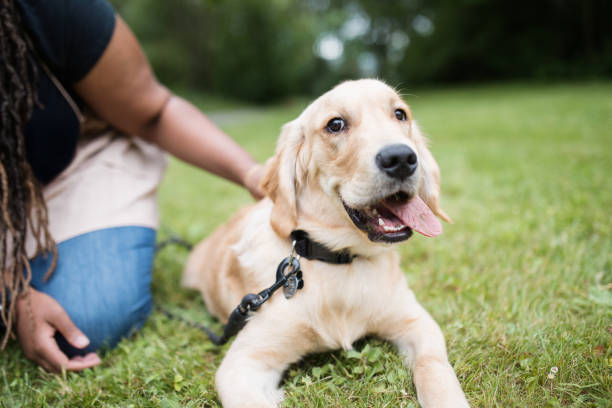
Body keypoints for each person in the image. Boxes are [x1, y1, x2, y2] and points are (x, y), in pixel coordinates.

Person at [0, 0, 264, 373]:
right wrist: (12, 296)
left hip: (74, 165)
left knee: (87, 319)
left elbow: (154, 110)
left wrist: (252, 175)